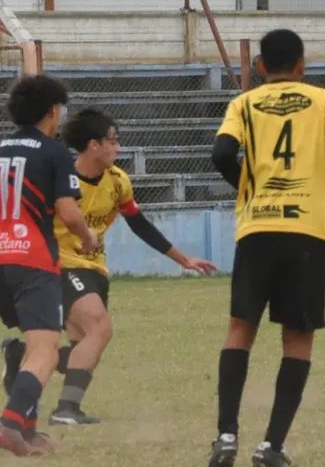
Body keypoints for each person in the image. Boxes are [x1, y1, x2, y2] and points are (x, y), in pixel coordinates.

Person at [207, 28, 325, 467]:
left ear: (259, 66)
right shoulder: (321, 98)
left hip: (256, 227)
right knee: (298, 335)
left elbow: (220, 153)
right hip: (306, 230)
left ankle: (226, 436)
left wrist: (247, 188)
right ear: (302, 65)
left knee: (241, 327)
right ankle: (272, 445)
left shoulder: (243, 103)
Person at [0, 107, 217, 425]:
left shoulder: (118, 182)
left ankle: (21, 356)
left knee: (83, 347)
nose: (118, 148)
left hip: (94, 269)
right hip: (58, 265)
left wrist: (183, 259)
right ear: (93, 145)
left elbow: (139, 224)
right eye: (113, 141)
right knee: (100, 327)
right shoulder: (60, 176)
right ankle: (66, 410)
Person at [0, 75, 97, 456]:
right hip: (32, 259)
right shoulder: (53, 152)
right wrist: (88, 238)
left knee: (33, 344)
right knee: (46, 349)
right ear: (53, 111)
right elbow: (69, 212)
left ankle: (27, 429)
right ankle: (9, 423)